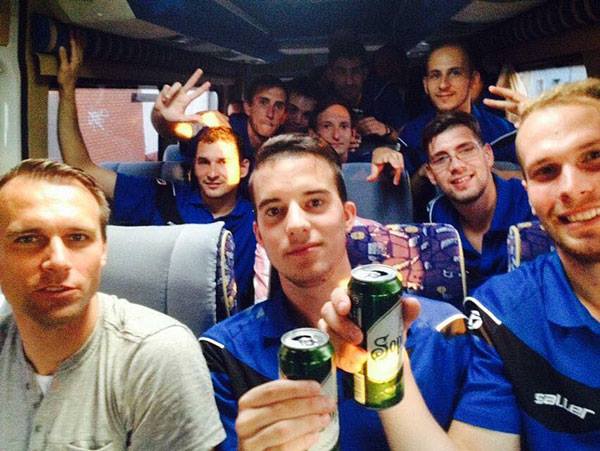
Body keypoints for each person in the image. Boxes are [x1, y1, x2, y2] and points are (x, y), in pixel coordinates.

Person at [321, 78, 600, 450]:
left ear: (489, 157)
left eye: (593, 157)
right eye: (546, 171)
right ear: (531, 190)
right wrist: (384, 352)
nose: (573, 187)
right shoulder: (502, 315)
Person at [200, 134, 472, 450]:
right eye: (274, 211)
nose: (296, 225)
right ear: (259, 235)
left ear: (347, 217)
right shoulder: (224, 354)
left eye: (315, 203)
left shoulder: (446, 331)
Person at [0, 159, 224, 450]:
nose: (57, 261)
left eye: (77, 237)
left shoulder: (157, 358)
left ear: (104, 250)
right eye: (28, 239)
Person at [57, 37, 256, 308]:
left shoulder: (258, 217)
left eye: (223, 162)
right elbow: (82, 168)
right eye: (203, 162)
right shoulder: (163, 197)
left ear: (243, 168)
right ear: (193, 166)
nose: (212, 173)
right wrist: (67, 88)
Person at [423, 111, 534, 292]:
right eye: (441, 159)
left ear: (488, 156)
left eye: (466, 151)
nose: (456, 166)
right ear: (431, 174)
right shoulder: (437, 220)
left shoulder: (530, 201)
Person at [326, 35, 407, 156]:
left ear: (365, 73)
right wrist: (339, 142)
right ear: (330, 74)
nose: (349, 81)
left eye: (355, 72)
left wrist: (387, 131)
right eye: (341, 72)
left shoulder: (384, 95)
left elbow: (409, 141)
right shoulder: (322, 100)